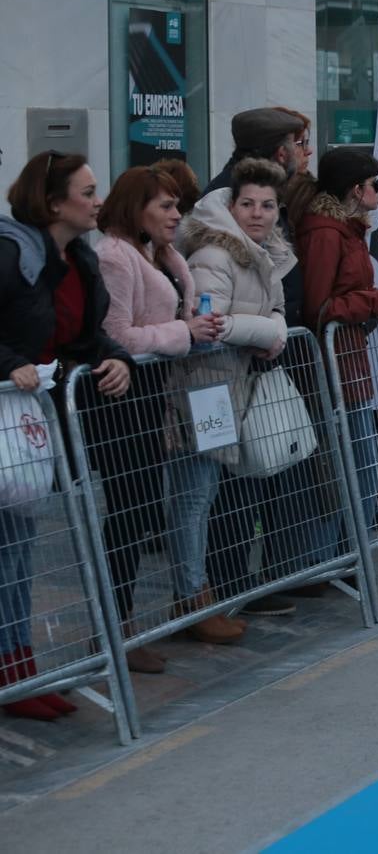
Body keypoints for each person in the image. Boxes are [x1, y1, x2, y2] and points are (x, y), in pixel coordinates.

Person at [1, 152, 134, 719]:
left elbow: (86, 335)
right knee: (11, 549)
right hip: (12, 412)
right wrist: (9, 362)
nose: (97, 199)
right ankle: (15, 673)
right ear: (54, 202)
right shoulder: (12, 251)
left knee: (19, 551)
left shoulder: (78, 256)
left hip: (35, 421)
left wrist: (118, 358)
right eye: (87, 191)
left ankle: (18, 669)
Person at [93, 165, 223, 673]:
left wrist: (194, 328)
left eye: (176, 205)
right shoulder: (115, 257)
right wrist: (183, 333)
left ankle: (124, 625)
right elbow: (118, 336)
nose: (176, 215)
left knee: (142, 509)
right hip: (121, 400)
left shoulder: (159, 254)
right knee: (128, 514)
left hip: (155, 395)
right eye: (165, 206)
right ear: (137, 207)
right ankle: (115, 630)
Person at [165, 159, 295, 645]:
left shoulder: (263, 252)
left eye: (267, 205)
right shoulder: (217, 255)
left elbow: (278, 310)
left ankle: (196, 592)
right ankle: (191, 596)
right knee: (192, 498)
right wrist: (269, 331)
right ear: (231, 204)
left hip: (228, 386)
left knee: (204, 496)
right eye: (248, 204)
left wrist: (271, 328)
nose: (258, 213)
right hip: (203, 387)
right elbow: (211, 323)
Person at [292, 149, 378, 548]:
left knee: (362, 465)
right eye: (375, 185)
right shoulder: (326, 232)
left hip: (350, 358)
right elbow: (320, 306)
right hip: (335, 365)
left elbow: (349, 294)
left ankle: (349, 553)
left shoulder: (345, 228)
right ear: (355, 189)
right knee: (348, 467)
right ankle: (334, 557)